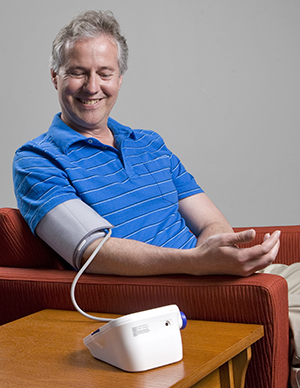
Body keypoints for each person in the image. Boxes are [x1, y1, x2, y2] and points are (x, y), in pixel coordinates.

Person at [14, 10, 298, 385]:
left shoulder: (149, 143)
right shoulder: (37, 159)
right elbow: (90, 251)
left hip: (222, 278)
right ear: (55, 77)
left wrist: (222, 253)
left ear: (119, 78)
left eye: (105, 73)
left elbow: (210, 220)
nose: (92, 86)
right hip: (171, 295)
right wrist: (196, 263)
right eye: (77, 72)